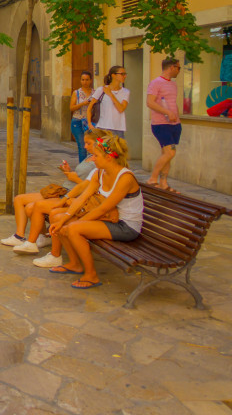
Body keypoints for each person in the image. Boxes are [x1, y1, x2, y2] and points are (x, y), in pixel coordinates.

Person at [48, 132, 143, 289]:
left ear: (108, 157)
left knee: (73, 229)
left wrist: (75, 222)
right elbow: (82, 198)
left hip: (125, 226)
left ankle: (91, 275)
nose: (92, 159)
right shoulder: (100, 173)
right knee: (60, 222)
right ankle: (74, 264)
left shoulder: (125, 178)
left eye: (96, 156)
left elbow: (103, 208)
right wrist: (65, 218)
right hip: (108, 218)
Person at [1, 132, 100, 255]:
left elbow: (91, 187)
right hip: (64, 191)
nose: (85, 146)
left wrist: (74, 181)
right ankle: (23, 237)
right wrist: (69, 172)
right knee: (19, 199)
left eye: (88, 143)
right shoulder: (90, 157)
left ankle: (41, 243)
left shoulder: (99, 165)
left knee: (33, 207)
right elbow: (85, 182)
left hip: (71, 195)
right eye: (85, 143)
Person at [145, 58, 182, 192]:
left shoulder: (173, 84)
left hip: (174, 123)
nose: (179, 70)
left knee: (167, 154)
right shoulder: (155, 83)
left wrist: (175, 116)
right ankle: (152, 179)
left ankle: (164, 183)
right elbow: (150, 102)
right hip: (161, 124)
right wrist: (167, 112)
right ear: (171, 67)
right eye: (178, 68)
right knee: (170, 152)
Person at [87, 65, 129, 137]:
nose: (124, 76)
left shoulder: (125, 92)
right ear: (113, 75)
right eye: (122, 74)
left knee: (117, 148)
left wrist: (110, 94)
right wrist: (90, 124)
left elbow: (121, 109)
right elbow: (90, 107)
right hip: (102, 128)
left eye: (125, 74)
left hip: (118, 130)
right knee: (102, 148)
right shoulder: (101, 90)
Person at [70, 71, 93, 163]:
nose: (85, 82)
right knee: (82, 146)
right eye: (83, 80)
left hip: (90, 122)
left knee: (92, 146)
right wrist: (83, 103)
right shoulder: (77, 93)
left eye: (87, 80)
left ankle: (91, 167)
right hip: (78, 121)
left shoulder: (95, 93)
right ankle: (82, 167)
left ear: (90, 80)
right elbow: (71, 108)